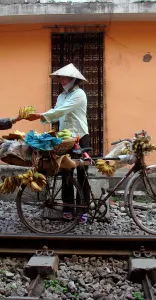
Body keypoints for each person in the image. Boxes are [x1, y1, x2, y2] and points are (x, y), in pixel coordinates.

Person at [28, 63, 90, 224]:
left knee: (82, 174)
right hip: (64, 138)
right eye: (61, 78)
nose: (62, 81)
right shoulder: (61, 96)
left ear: (73, 79)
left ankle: (83, 209)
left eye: (65, 78)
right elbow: (56, 116)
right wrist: (40, 116)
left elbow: (62, 111)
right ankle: (68, 208)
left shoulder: (79, 94)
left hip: (80, 136)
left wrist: (41, 115)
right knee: (66, 174)